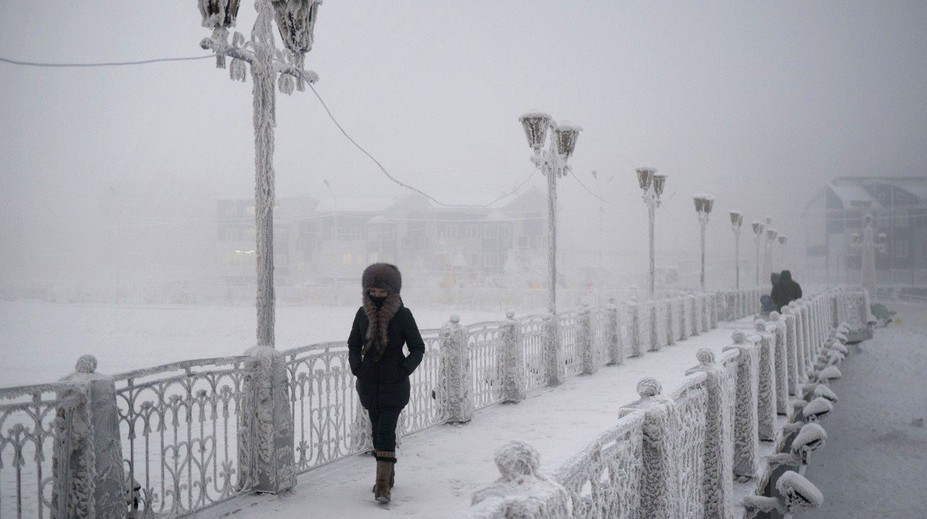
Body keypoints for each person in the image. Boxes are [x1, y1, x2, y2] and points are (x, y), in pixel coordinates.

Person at [348, 263, 425, 504]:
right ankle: (388, 475)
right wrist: (357, 368)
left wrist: (403, 369)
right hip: (369, 383)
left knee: (386, 429)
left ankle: (382, 486)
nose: (377, 295)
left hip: (394, 383)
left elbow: (417, 348)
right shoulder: (362, 315)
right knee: (376, 430)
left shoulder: (403, 315)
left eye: (382, 292)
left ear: (393, 292)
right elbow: (352, 344)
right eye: (373, 291)